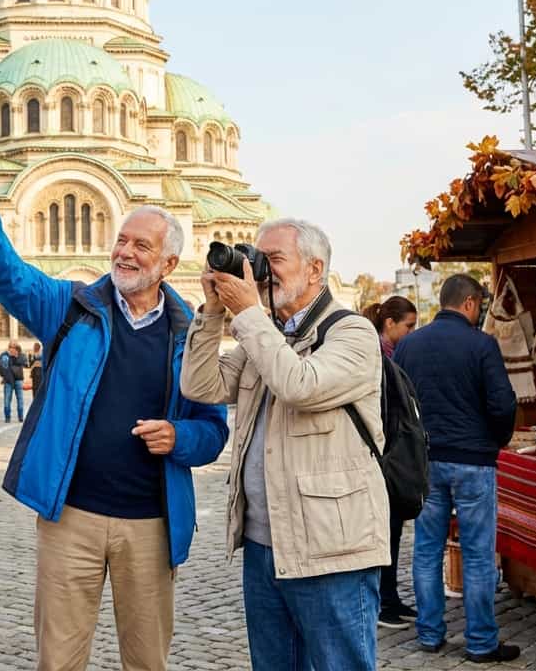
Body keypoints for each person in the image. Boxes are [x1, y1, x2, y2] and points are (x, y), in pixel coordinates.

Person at [0, 155, 229, 671]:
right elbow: (11, 279)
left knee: (146, 660)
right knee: (59, 658)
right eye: (122, 240)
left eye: (142, 246)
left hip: (150, 524)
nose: (125, 252)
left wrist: (179, 437)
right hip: (71, 516)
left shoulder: (190, 334)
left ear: (167, 265)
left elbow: (213, 432)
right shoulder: (72, 307)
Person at [180, 219, 388, 671]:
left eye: (273, 260)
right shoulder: (269, 333)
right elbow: (201, 385)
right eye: (258, 259)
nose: (260, 270)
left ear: (315, 270)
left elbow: (300, 385)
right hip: (264, 546)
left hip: (331, 549)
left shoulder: (351, 332)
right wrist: (214, 312)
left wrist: (250, 314)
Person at [393, 274, 518, 663]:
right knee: (479, 554)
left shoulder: (409, 345)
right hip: (473, 460)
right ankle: (481, 642)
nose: (480, 311)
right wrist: (495, 441)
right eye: (479, 304)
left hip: (426, 460)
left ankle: (430, 634)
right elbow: (502, 403)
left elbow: (395, 403)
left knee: (426, 550)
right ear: (468, 303)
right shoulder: (482, 344)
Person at [365, 295, 419, 630]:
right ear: (389, 324)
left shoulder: (391, 355)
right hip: (383, 459)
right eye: (408, 326)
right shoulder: (377, 357)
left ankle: (391, 598)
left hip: (389, 457)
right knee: (384, 533)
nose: (412, 332)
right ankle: (383, 602)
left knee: (393, 531)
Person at [0, 340, 27, 422]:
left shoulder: (21, 355)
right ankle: (7, 417)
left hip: (18, 380)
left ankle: (20, 417)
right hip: (8, 380)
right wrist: (3, 376)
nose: (12, 349)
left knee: (20, 399)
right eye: (11, 347)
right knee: (7, 399)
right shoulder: (4, 356)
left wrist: (16, 356)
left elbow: (25, 363)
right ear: (8, 347)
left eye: (14, 347)